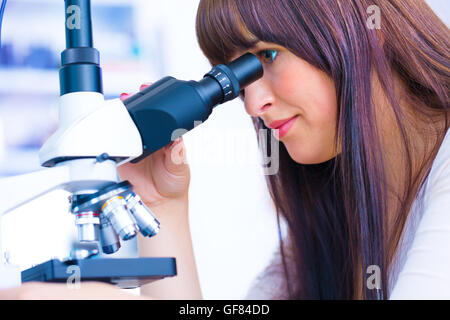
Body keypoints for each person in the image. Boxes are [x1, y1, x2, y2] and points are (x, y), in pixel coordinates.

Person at [1, 0, 449, 300]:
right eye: (241, 75)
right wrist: (163, 207)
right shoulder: (333, 214)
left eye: (267, 56)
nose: (253, 104)